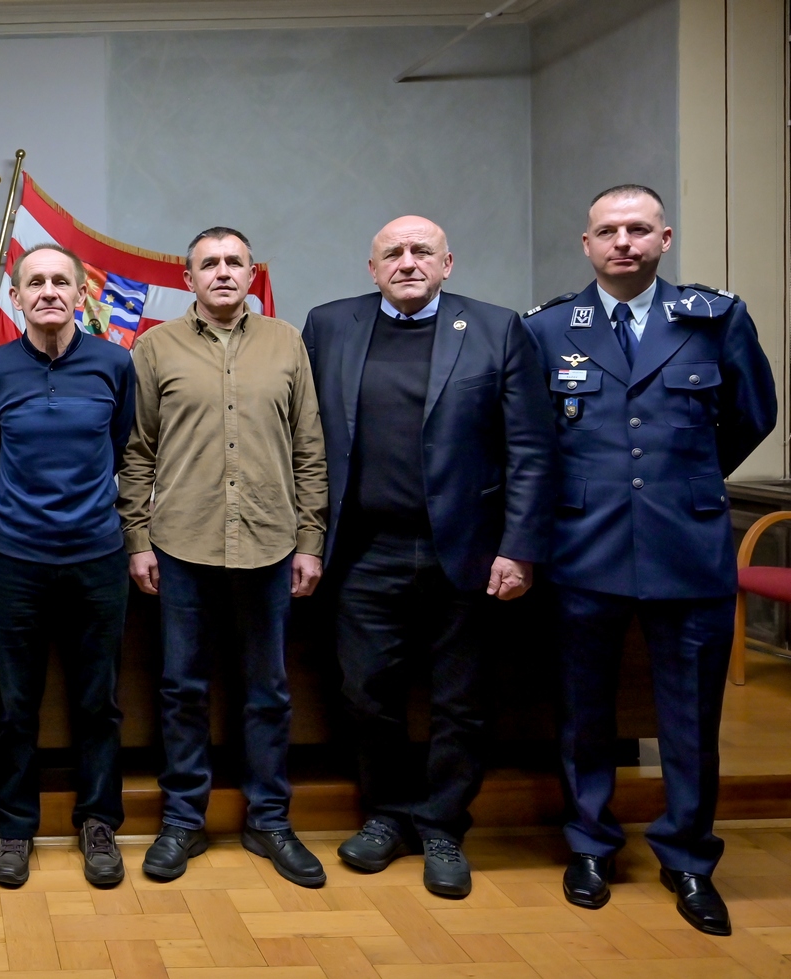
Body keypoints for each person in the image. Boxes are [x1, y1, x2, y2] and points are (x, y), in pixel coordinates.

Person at [523, 185, 775, 936]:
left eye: (638, 229)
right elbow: (532, 437)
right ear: (587, 244)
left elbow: (752, 414)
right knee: (584, 712)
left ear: (664, 239)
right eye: (608, 231)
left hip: (686, 546)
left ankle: (688, 856)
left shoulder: (714, 318)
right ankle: (590, 845)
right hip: (583, 546)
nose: (623, 242)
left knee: (691, 716)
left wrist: (686, 479)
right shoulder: (545, 329)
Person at [302, 216, 554, 899]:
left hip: (465, 551)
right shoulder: (329, 326)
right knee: (365, 693)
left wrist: (519, 547)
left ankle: (442, 823)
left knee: (460, 702)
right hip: (364, 550)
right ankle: (387, 814)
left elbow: (531, 448)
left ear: (448, 263)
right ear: (372, 267)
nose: (407, 261)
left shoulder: (498, 329)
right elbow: (304, 436)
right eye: (393, 252)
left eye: (422, 251)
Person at [119, 227, 328, 886]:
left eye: (234, 261)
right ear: (189, 278)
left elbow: (310, 448)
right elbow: (137, 451)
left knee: (268, 691)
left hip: (270, 543)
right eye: (209, 263)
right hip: (182, 543)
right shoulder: (155, 347)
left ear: (250, 272)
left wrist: (311, 539)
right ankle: (183, 820)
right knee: (182, 689)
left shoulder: (286, 342)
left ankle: (270, 819)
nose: (223, 272)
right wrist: (137, 538)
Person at [0, 244, 136, 889]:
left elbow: (120, 445)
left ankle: (98, 823)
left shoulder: (113, 363)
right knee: (15, 704)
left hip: (98, 556)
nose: (48, 292)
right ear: (16, 298)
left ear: (79, 294)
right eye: (34, 282)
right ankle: (15, 828)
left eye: (60, 281)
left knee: (98, 702)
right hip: (17, 558)